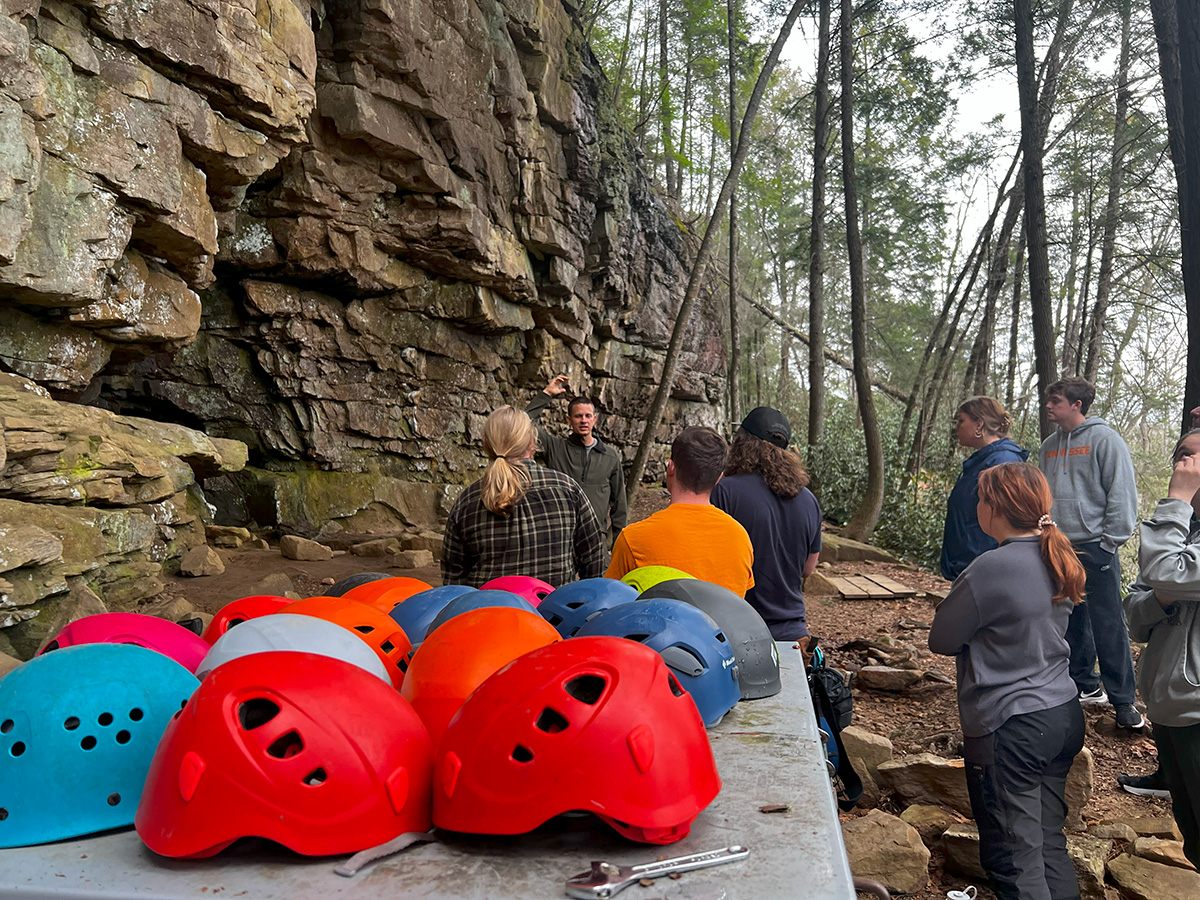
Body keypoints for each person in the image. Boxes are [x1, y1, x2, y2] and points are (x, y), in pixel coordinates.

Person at [929, 462, 1086, 900]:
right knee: (1047, 839)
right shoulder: (1059, 555)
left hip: (1011, 726)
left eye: (981, 499)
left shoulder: (991, 568)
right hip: (1061, 713)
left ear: (994, 507)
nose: (977, 506)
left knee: (1014, 858)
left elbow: (941, 638)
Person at [1040, 377, 1143, 730]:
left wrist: (1109, 543)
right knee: (1069, 621)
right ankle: (1084, 685)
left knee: (1108, 625)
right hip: (1058, 546)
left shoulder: (1106, 440)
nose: (1049, 405)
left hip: (1095, 547)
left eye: (1055, 400)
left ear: (1076, 405)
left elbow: (1122, 494)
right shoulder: (1049, 445)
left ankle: (1124, 701)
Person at [1123, 428, 1200, 867]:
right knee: (1194, 838)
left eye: (1194, 456)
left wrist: (1177, 500)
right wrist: (1161, 597)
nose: (1183, 465)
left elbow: (1166, 570)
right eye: (1180, 455)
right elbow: (1134, 615)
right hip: (1169, 704)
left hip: (1196, 710)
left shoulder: (1172, 523)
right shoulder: (1177, 531)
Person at [441, 406, 606, 588]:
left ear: (486, 443)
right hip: (553, 613)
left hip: (489, 612)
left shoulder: (468, 501)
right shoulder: (567, 489)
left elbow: (453, 578)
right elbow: (594, 559)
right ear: (531, 442)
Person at [711, 407, 821, 642]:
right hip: (795, 636)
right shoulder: (808, 499)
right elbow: (808, 569)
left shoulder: (725, 492)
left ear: (741, 442)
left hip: (740, 636)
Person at [606, 426, 754, 596]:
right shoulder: (740, 539)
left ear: (671, 468)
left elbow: (612, 603)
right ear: (719, 477)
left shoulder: (633, 540)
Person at [526, 375, 627, 542]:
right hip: (559, 537)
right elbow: (524, 423)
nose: (583, 421)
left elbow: (619, 506)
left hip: (595, 538)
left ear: (595, 419)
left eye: (588, 416)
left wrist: (618, 546)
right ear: (569, 420)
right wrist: (546, 394)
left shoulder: (610, 457)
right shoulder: (555, 448)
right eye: (578, 416)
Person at [941, 396, 1029, 580]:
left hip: (984, 567)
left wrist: (985, 562)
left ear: (979, 424)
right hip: (970, 564)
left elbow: (1005, 519)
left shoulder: (1002, 461)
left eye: (961, 420)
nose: (958, 427)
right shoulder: (981, 460)